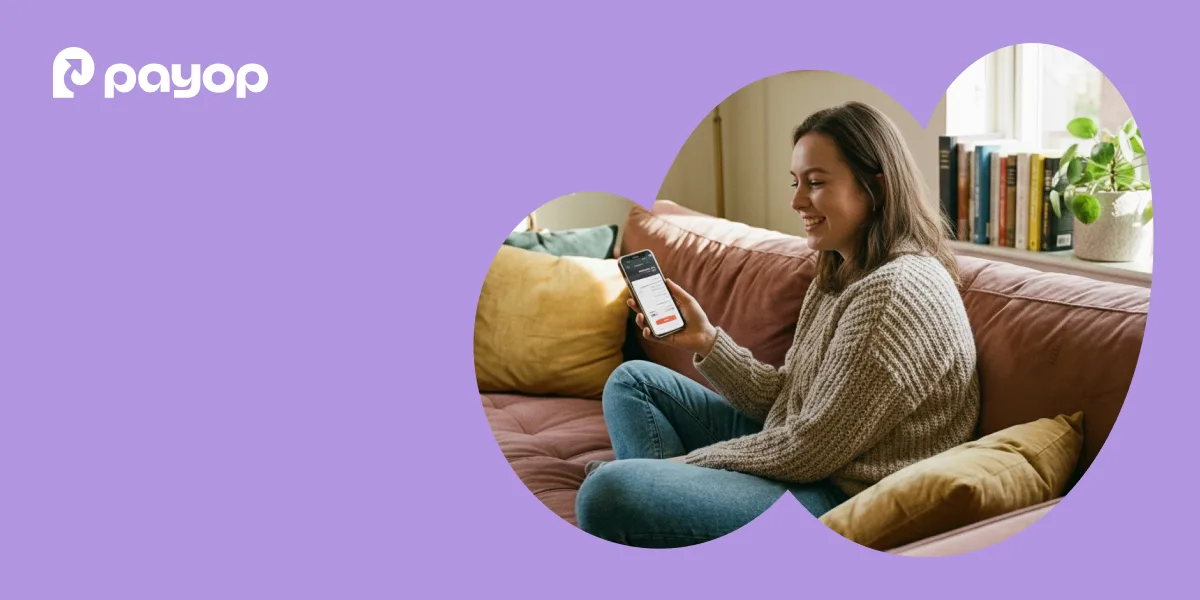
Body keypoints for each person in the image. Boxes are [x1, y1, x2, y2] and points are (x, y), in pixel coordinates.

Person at [573, 101, 981, 549]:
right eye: (796, 182)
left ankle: (655, 501)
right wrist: (707, 341)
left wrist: (683, 467)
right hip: (808, 457)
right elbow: (789, 400)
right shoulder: (842, 274)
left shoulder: (895, 292)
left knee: (605, 493)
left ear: (875, 189)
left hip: (836, 495)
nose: (796, 200)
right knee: (633, 381)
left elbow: (808, 450)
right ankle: (666, 513)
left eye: (816, 183)